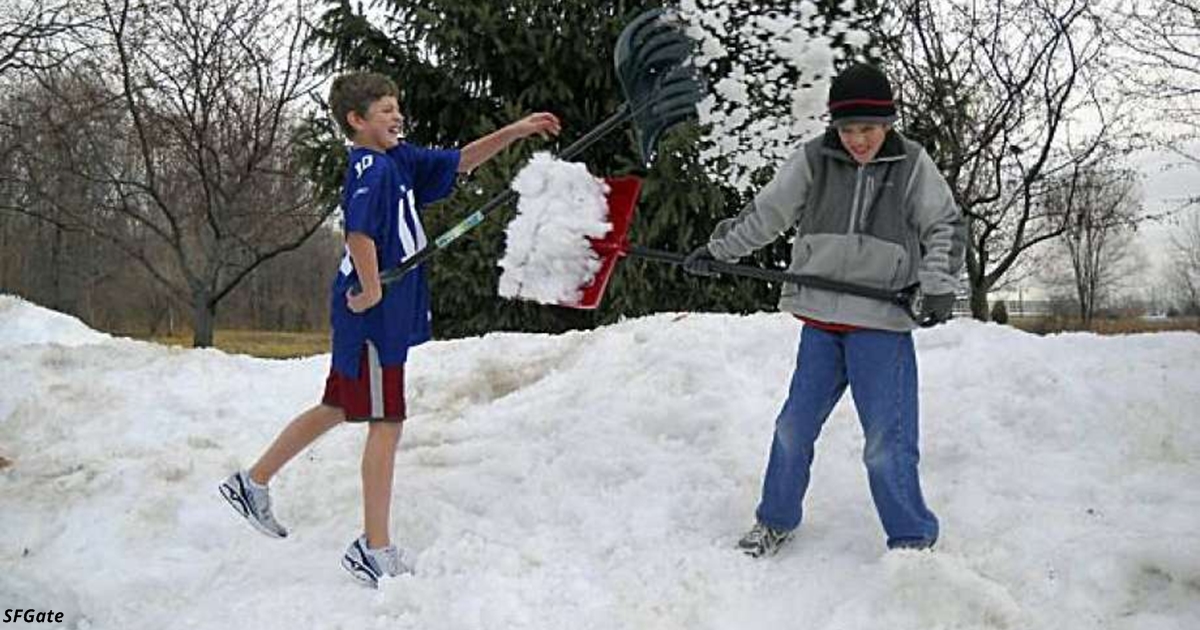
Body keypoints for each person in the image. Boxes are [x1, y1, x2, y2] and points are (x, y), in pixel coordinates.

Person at [219, 72, 560, 587]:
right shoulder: (369, 170)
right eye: (385, 110)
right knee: (385, 421)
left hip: (379, 312)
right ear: (357, 121)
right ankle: (373, 550)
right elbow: (359, 231)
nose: (397, 116)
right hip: (372, 315)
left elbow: (461, 160)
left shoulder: (397, 160)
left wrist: (516, 129)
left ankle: (253, 482)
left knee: (338, 406)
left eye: (397, 108)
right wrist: (375, 290)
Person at [683, 62, 965, 557]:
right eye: (849, 129)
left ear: (889, 125)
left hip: (880, 325)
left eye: (869, 129)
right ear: (835, 127)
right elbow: (768, 212)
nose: (858, 140)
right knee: (792, 429)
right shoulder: (814, 159)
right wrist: (720, 251)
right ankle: (775, 520)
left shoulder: (912, 164)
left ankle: (912, 539)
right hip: (821, 323)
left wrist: (938, 285)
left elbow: (944, 225)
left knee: (886, 445)